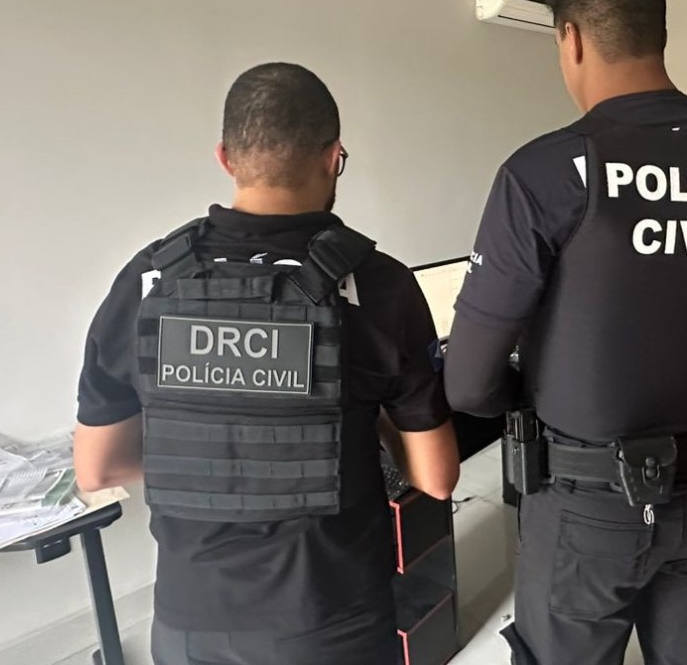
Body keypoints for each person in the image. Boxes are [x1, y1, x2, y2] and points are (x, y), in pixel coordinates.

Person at [444, 0, 687, 665]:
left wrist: (542, 385)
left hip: (585, 505)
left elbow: (469, 383)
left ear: (570, 38)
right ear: (657, 30)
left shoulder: (544, 172)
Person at [73, 63, 460, 665]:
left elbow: (96, 469)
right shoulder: (378, 285)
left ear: (226, 158)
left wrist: (215, 456)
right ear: (333, 158)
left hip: (189, 626)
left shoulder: (148, 279)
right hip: (333, 623)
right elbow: (435, 477)